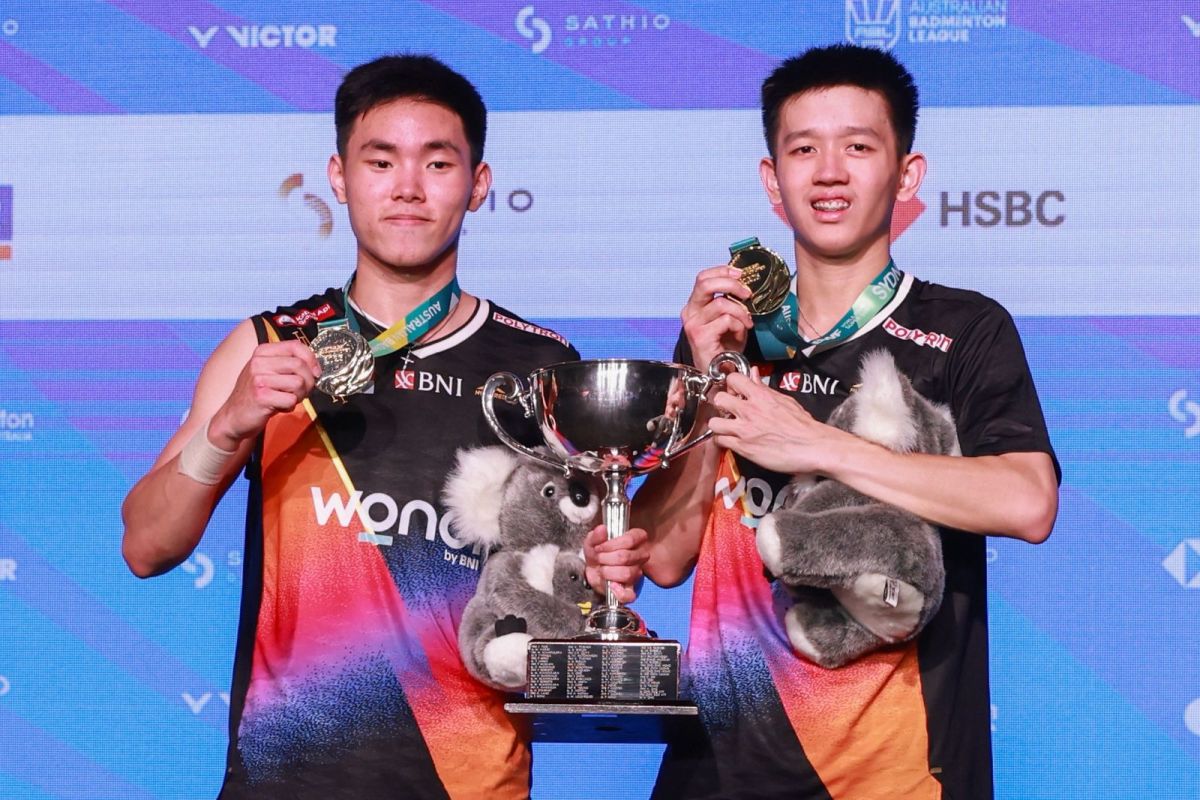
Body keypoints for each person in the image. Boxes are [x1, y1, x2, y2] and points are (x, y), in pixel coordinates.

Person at [121, 54, 642, 799]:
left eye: (438, 163)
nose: (407, 187)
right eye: (381, 161)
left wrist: (598, 578)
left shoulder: (540, 370)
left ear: (478, 184)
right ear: (339, 177)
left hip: (469, 782)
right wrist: (230, 427)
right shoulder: (271, 346)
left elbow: (563, 589)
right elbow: (146, 546)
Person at [632, 44, 1060, 799]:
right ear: (773, 180)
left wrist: (818, 445)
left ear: (906, 174)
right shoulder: (728, 334)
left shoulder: (965, 329)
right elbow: (664, 559)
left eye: (858, 147)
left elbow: (1028, 502)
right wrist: (703, 383)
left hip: (893, 773)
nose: (829, 173)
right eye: (804, 150)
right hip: (719, 769)